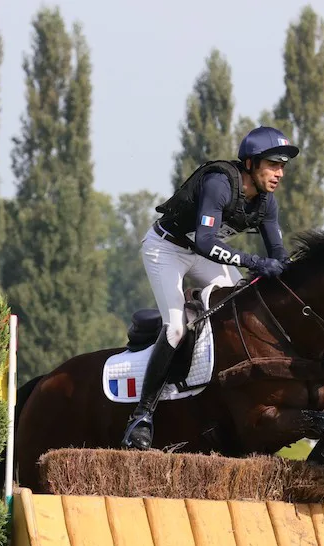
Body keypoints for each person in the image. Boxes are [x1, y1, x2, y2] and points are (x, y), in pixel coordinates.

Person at [121, 126, 300, 451]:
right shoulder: (220, 183)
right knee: (176, 328)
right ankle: (142, 415)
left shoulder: (266, 204)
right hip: (167, 249)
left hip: (199, 254)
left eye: (282, 167)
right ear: (251, 163)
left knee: (238, 311)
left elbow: (278, 257)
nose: (279, 174)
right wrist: (253, 262)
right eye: (273, 164)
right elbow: (205, 241)